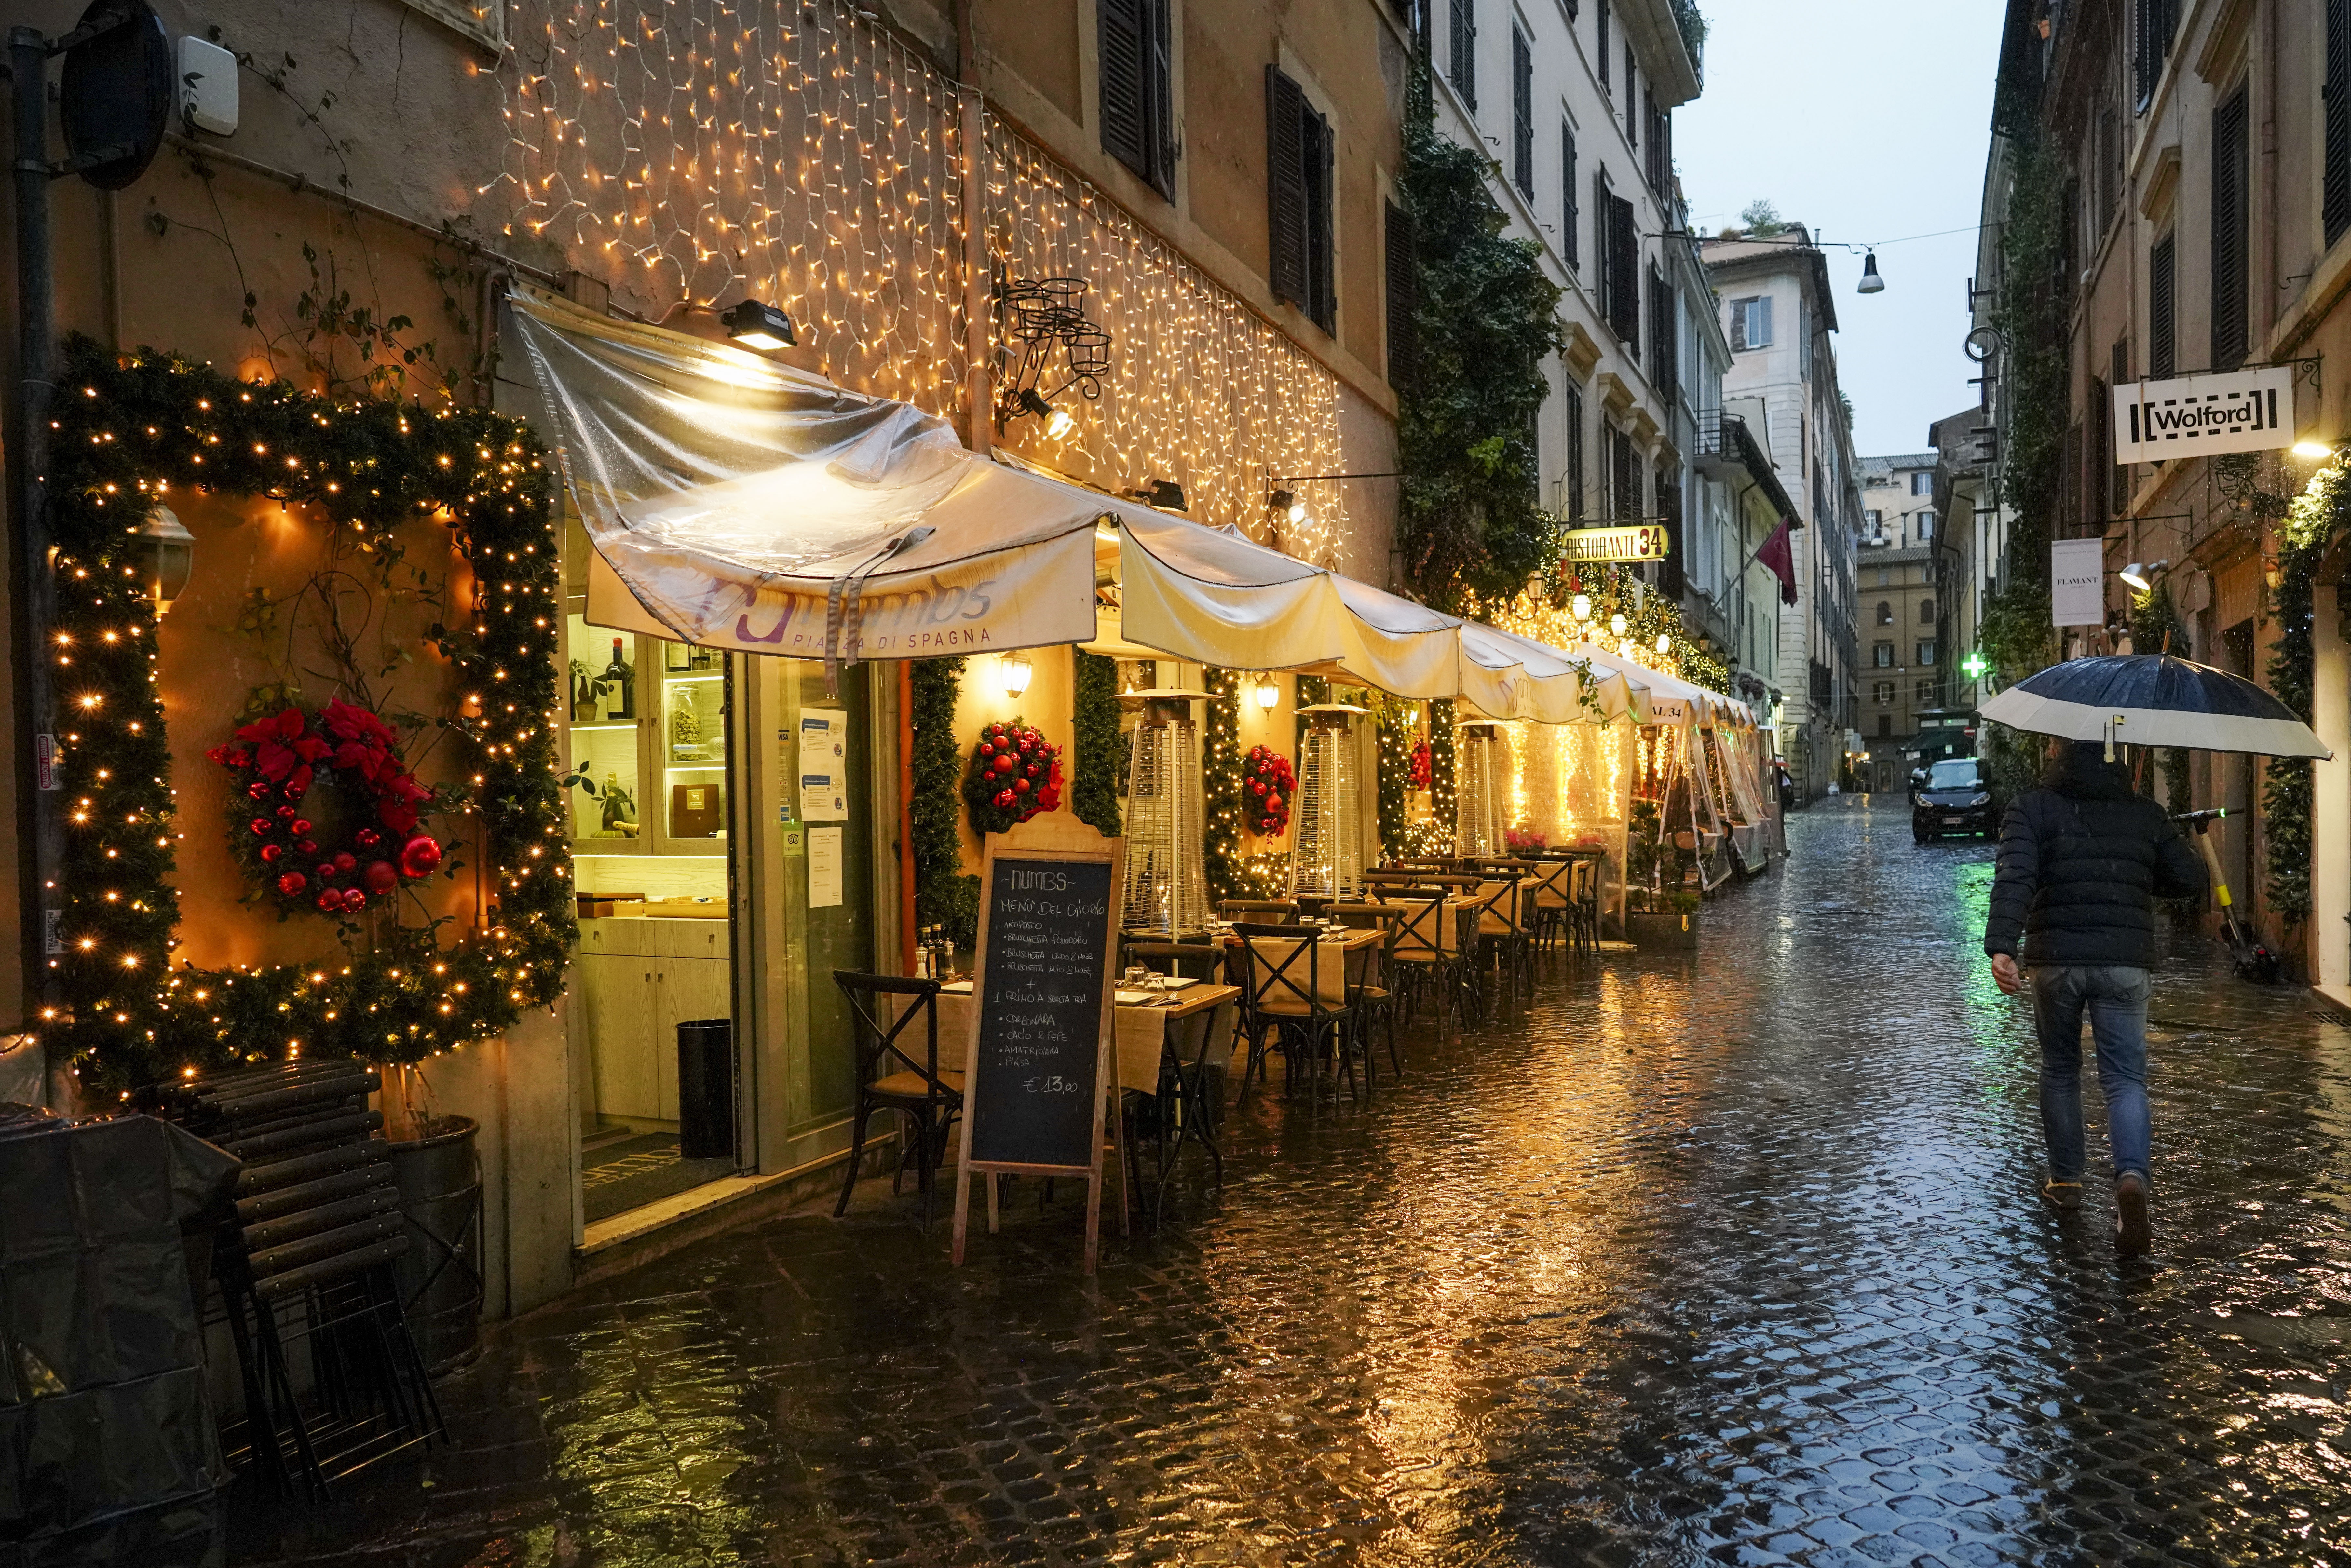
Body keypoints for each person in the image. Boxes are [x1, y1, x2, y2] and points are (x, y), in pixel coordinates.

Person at [1983, 739, 2207, 1257]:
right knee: (2124, 1078)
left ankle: (2066, 1183)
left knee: (2060, 1069)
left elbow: (2015, 878)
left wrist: (2002, 948)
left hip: (2056, 959)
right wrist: (2152, 853)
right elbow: (2188, 880)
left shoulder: (2032, 807)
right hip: (2124, 961)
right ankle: (2131, 1177)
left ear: (2055, 757)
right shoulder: (2144, 813)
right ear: (2123, 768)